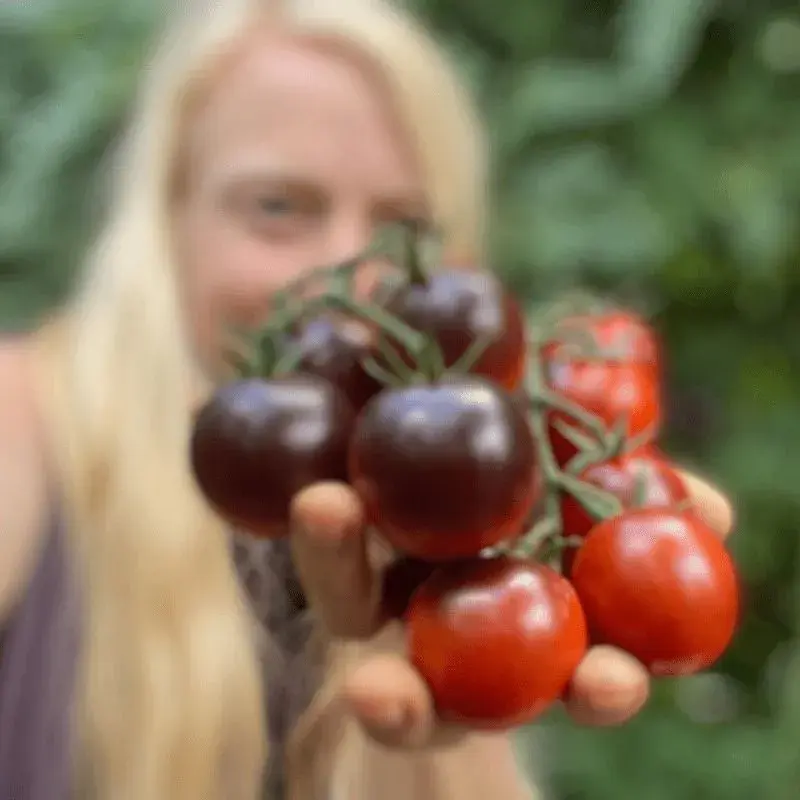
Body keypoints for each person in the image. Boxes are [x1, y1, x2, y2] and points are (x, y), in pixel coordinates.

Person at [0, 0, 735, 798]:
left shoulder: (476, 528)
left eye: (400, 226)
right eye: (277, 207)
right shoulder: (23, 423)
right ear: (166, 215)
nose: (343, 277)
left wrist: (465, 678)